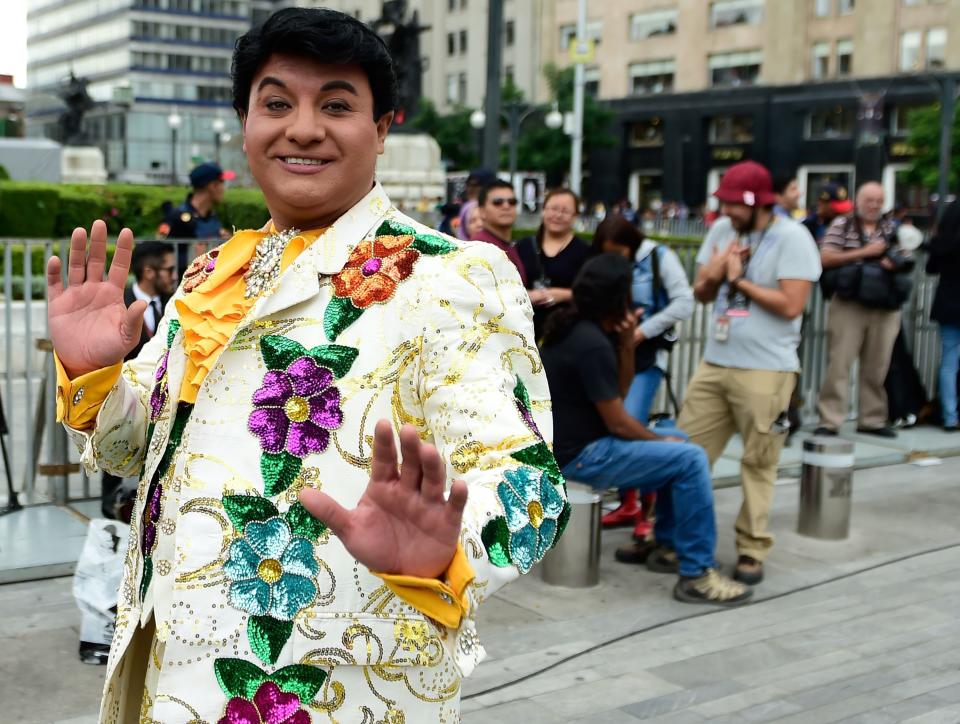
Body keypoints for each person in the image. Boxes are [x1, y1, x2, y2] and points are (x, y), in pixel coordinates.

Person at [48, 8, 565, 722]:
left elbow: (528, 483)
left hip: (326, 692)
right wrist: (94, 374)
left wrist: (443, 553)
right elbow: (128, 448)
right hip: (164, 675)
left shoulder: (451, 274)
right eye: (278, 102)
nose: (303, 128)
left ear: (382, 128)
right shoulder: (209, 276)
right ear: (245, 121)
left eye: (337, 105)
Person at [541, 254, 751, 607]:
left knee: (681, 442)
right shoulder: (589, 342)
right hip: (580, 456)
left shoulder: (576, 326)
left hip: (575, 446)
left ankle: (666, 544)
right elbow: (618, 420)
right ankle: (697, 574)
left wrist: (625, 345)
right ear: (618, 298)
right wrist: (658, 440)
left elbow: (617, 395)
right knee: (690, 458)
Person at [678, 160, 821, 586]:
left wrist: (739, 283)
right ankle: (672, 537)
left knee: (759, 462)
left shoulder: (793, 238)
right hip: (716, 360)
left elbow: (792, 305)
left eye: (733, 205)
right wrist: (717, 274)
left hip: (767, 369)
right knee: (686, 455)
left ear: (759, 204)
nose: (726, 213)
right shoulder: (723, 231)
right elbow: (702, 293)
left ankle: (752, 547)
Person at [591, 215, 694, 537]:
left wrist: (642, 331)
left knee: (630, 424)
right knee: (613, 426)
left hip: (645, 355)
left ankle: (647, 513)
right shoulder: (604, 263)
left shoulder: (659, 256)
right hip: (610, 355)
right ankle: (629, 502)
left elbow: (684, 301)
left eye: (618, 252)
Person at [815, 182, 908, 438]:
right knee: (840, 362)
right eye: (869, 200)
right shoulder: (842, 225)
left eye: (879, 200)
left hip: (884, 304)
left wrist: (895, 262)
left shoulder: (891, 228)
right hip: (850, 303)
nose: (874, 205)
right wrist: (865, 252)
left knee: (878, 365)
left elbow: (905, 258)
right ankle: (830, 419)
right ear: (858, 200)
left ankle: (873, 418)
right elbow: (825, 257)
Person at [99, 241, 177, 521]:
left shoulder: (176, 305)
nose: (174, 276)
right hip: (125, 409)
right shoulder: (117, 305)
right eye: (168, 270)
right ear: (148, 272)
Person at [516, 188, 591, 338]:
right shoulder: (523, 246)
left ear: (575, 216)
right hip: (525, 329)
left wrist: (564, 295)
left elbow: (591, 292)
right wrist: (527, 295)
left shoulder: (585, 251)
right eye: (553, 209)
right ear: (544, 210)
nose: (558, 215)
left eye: (565, 211)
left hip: (567, 330)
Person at [157, 161, 234, 272]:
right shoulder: (177, 217)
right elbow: (159, 255)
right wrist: (193, 257)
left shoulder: (213, 217)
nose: (224, 188)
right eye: (222, 182)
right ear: (213, 186)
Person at [928, 199, 960, 431]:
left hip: (948, 301)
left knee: (949, 360)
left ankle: (950, 416)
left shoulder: (944, 239)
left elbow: (931, 268)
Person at [472, 178, 528, 284]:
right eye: (498, 202)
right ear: (482, 211)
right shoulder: (479, 246)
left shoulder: (509, 245)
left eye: (512, 202)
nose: (506, 206)